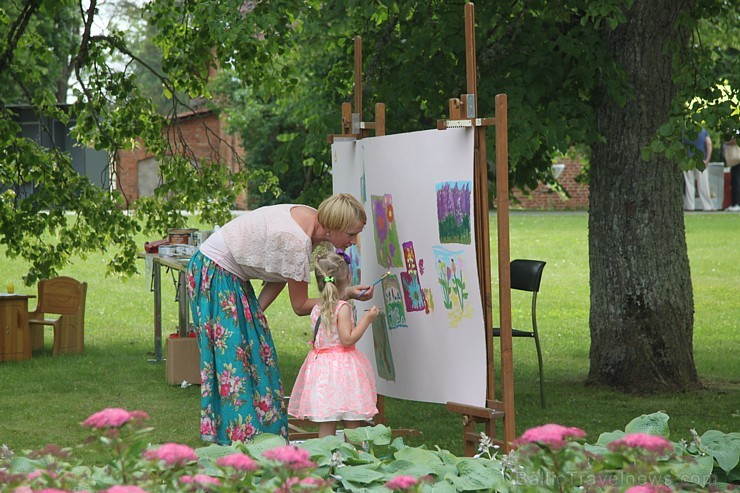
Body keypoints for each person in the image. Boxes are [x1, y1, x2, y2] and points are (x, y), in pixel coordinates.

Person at [186, 194, 373, 445]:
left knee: (257, 356)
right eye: (351, 234)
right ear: (333, 228)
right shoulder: (297, 241)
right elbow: (299, 305)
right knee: (236, 366)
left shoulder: (312, 220)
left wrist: (255, 314)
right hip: (215, 273)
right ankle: (241, 445)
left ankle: (263, 442)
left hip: (225, 275)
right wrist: (345, 296)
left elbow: (279, 272)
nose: (353, 241)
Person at [288, 252, 380, 438]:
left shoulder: (316, 307)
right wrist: (367, 319)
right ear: (347, 278)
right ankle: (355, 460)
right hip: (343, 371)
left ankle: (326, 460)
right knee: (352, 418)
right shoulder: (342, 307)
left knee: (327, 419)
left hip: (322, 371)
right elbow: (347, 339)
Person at [683, 127, 714, 211]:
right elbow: (709, 143)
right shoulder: (703, 131)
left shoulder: (684, 132)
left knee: (689, 184)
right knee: (703, 184)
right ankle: (707, 206)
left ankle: (690, 206)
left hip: (688, 161)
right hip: (701, 160)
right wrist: (707, 159)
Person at [722, 133, 740, 211]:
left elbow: (736, 141)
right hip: (734, 162)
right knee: (733, 181)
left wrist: (726, 142)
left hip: (737, 160)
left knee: (736, 181)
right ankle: (734, 203)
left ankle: (737, 203)